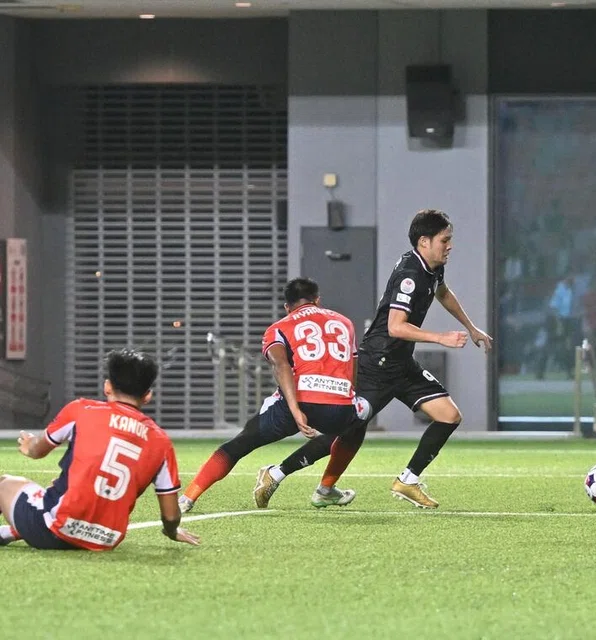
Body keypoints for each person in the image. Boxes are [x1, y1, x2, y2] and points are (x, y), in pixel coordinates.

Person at [254, 209, 492, 510]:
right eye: (445, 240)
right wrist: (441, 337)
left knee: (448, 415)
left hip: (402, 366)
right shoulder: (410, 275)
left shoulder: (432, 268)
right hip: (376, 367)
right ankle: (275, 474)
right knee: (344, 429)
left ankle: (408, 480)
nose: (450, 245)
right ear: (424, 241)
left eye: (450, 239)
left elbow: (443, 293)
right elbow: (395, 326)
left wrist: (471, 328)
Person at [178, 277, 369, 513]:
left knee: (240, 444)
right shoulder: (344, 322)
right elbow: (353, 368)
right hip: (340, 404)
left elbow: (281, 366)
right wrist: (347, 401)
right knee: (355, 427)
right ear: (317, 300)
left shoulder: (279, 327)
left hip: (299, 402)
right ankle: (325, 489)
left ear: (287, 306)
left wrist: (296, 410)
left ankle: (188, 497)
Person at [0, 349, 199, 551]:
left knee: (4, 483)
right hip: (104, 540)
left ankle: (26, 526)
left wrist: (29, 445)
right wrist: (171, 531)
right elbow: (171, 515)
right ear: (147, 396)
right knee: (63, 489)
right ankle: (8, 533)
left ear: (107, 386)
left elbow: (37, 451)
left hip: (54, 529)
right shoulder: (161, 441)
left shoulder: (82, 410)